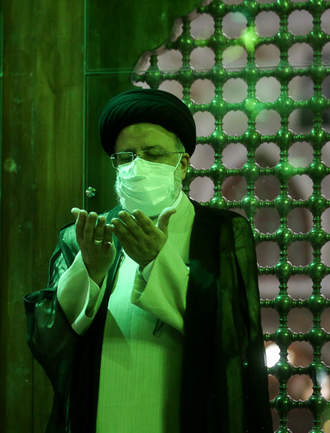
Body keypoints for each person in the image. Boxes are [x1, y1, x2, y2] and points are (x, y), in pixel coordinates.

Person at [23, 88, 272, 433]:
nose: (138, 166)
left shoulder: (220, 233)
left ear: (182, 164)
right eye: (126, 157)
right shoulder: (88, 235)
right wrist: (91, 272)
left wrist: (156, 261)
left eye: (153, 154)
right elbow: (49, 343)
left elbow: (235, 336)